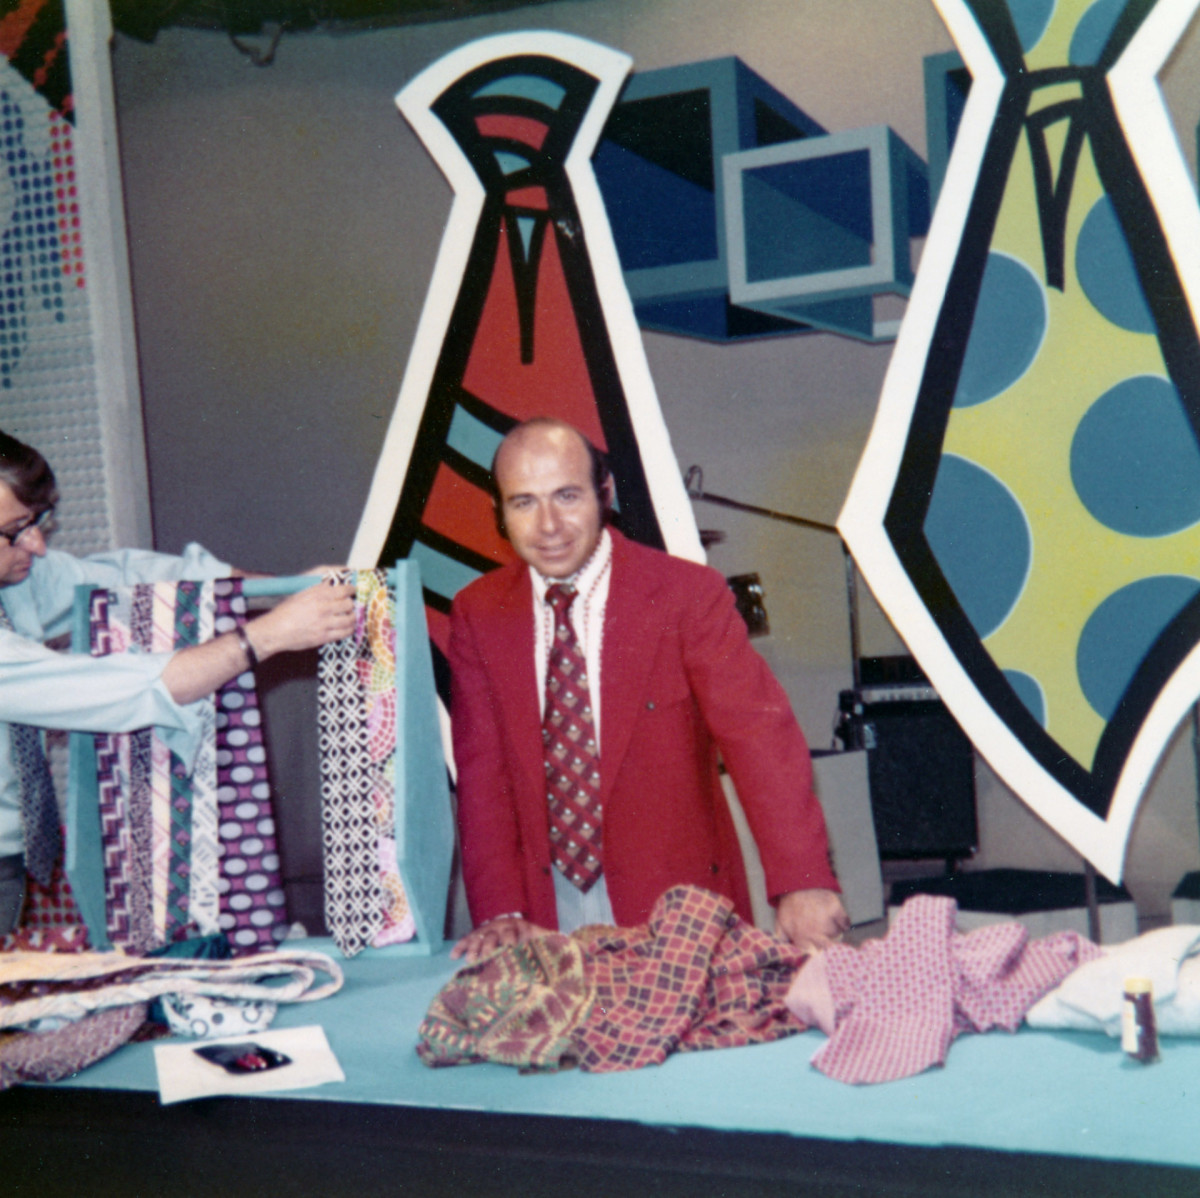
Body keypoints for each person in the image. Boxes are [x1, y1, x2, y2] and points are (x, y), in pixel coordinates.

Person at [449, 417, 849, 962]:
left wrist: (802, 879)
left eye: (567, 496)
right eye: (523, 503)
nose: (548, 525)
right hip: (545, 915)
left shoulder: (687, 596)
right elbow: (482, 772)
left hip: (680, 913)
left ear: (604, 493)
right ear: (500, 511)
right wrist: (499, 908)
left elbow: (760, 739)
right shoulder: (479, 612)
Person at [0, 430, 356, 933]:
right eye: (15, 531)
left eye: (38, 523)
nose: (36, 545)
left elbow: (132, 576)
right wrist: (267, 636)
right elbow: (129, 691)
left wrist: (279, 591)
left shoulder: (18, 579)